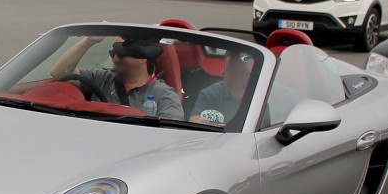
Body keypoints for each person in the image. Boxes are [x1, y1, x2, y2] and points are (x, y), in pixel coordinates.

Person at [49, 34, 184, 119]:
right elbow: (58, 73)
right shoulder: (102, 78)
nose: (115, 59)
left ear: (143, 59)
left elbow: (172, 134)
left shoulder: (164, 95)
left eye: (122, 54)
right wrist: (89, 41)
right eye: (113, 53)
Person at [190, 52, 255, 126]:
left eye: (245, 73)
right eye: (233, 71)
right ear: (225, 72)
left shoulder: (259, 95)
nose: (238, 77)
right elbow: (195, 121)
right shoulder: (210, 94)